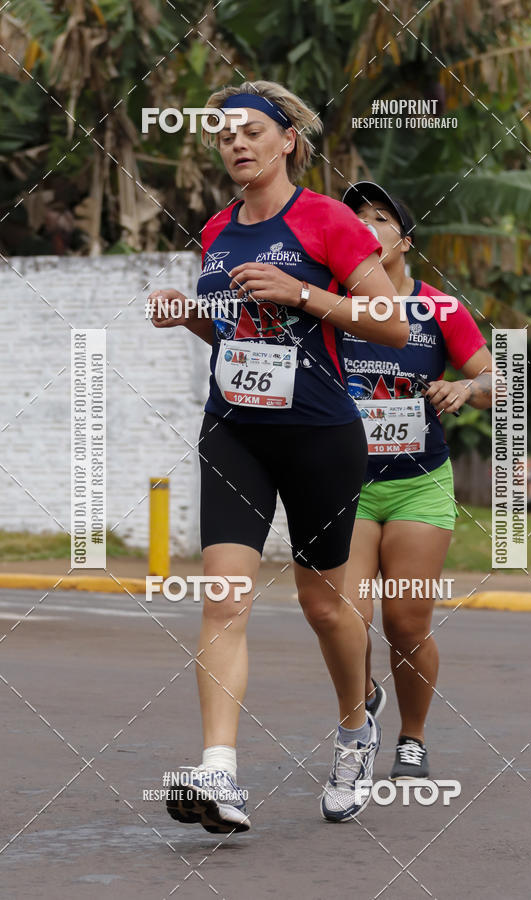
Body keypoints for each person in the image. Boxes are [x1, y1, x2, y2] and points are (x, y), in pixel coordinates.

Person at [148, 85, 409, 832]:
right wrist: (191, 315)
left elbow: (390, 323)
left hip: (319, 434)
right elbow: (233, 332)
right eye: (225, 133)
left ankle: (356, 728)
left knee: (324, 606)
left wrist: (301, 292)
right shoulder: (217, 228)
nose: (237, 143)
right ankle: (218, 772)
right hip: (234, 431)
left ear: (288, 139)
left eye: (253, 131)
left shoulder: (326, 220)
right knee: (224, 598)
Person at [341, 181, 493, 780]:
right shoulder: (331, 302)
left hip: (419, 482)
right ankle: (362, 703)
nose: (365, 226)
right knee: (344, 618)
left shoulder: (440, 309)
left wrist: (467, 386)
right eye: (355, 217)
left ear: (405, 240)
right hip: (345, 485)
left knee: (405, 624)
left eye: (380, 218)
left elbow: (500, 382)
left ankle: (412, 737)